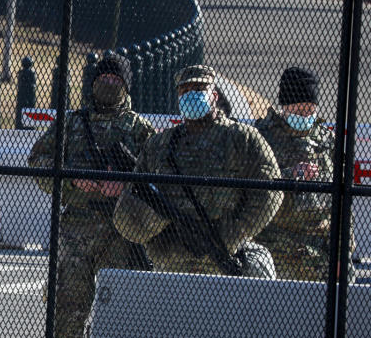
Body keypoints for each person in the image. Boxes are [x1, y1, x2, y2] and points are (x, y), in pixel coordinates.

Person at [27, 52, 156, 338]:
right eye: (104, 79)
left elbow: (160, 181)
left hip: (123, 231)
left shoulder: (141, 130)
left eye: (117, 81)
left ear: (127, 86)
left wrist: (127, 185)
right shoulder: (72, 124)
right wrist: (73, 181)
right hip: (77, 231)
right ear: (93, 82)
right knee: (69, 306)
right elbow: (37, 160)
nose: (110, 86)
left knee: (121, 310)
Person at [113, 64, 282, 278]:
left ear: (215, 95)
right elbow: (134, 195)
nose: (191, 95)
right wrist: (155, 224)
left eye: (199, 89)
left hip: (221, 255)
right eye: (185, 91)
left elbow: (272, 190)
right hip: (172, 262)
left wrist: (236, 232)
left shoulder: (243, 138)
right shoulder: (159, 145)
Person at [254, 67, 352, 282]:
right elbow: (252, 184)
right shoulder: (262, 137)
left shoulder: (327, 142)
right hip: (277, 244)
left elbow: (344, 202)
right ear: (285, 106)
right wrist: (291, 175)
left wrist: (344, 253)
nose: (306, 116)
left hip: (320, 249)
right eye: (300, 111)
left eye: (310, 110)